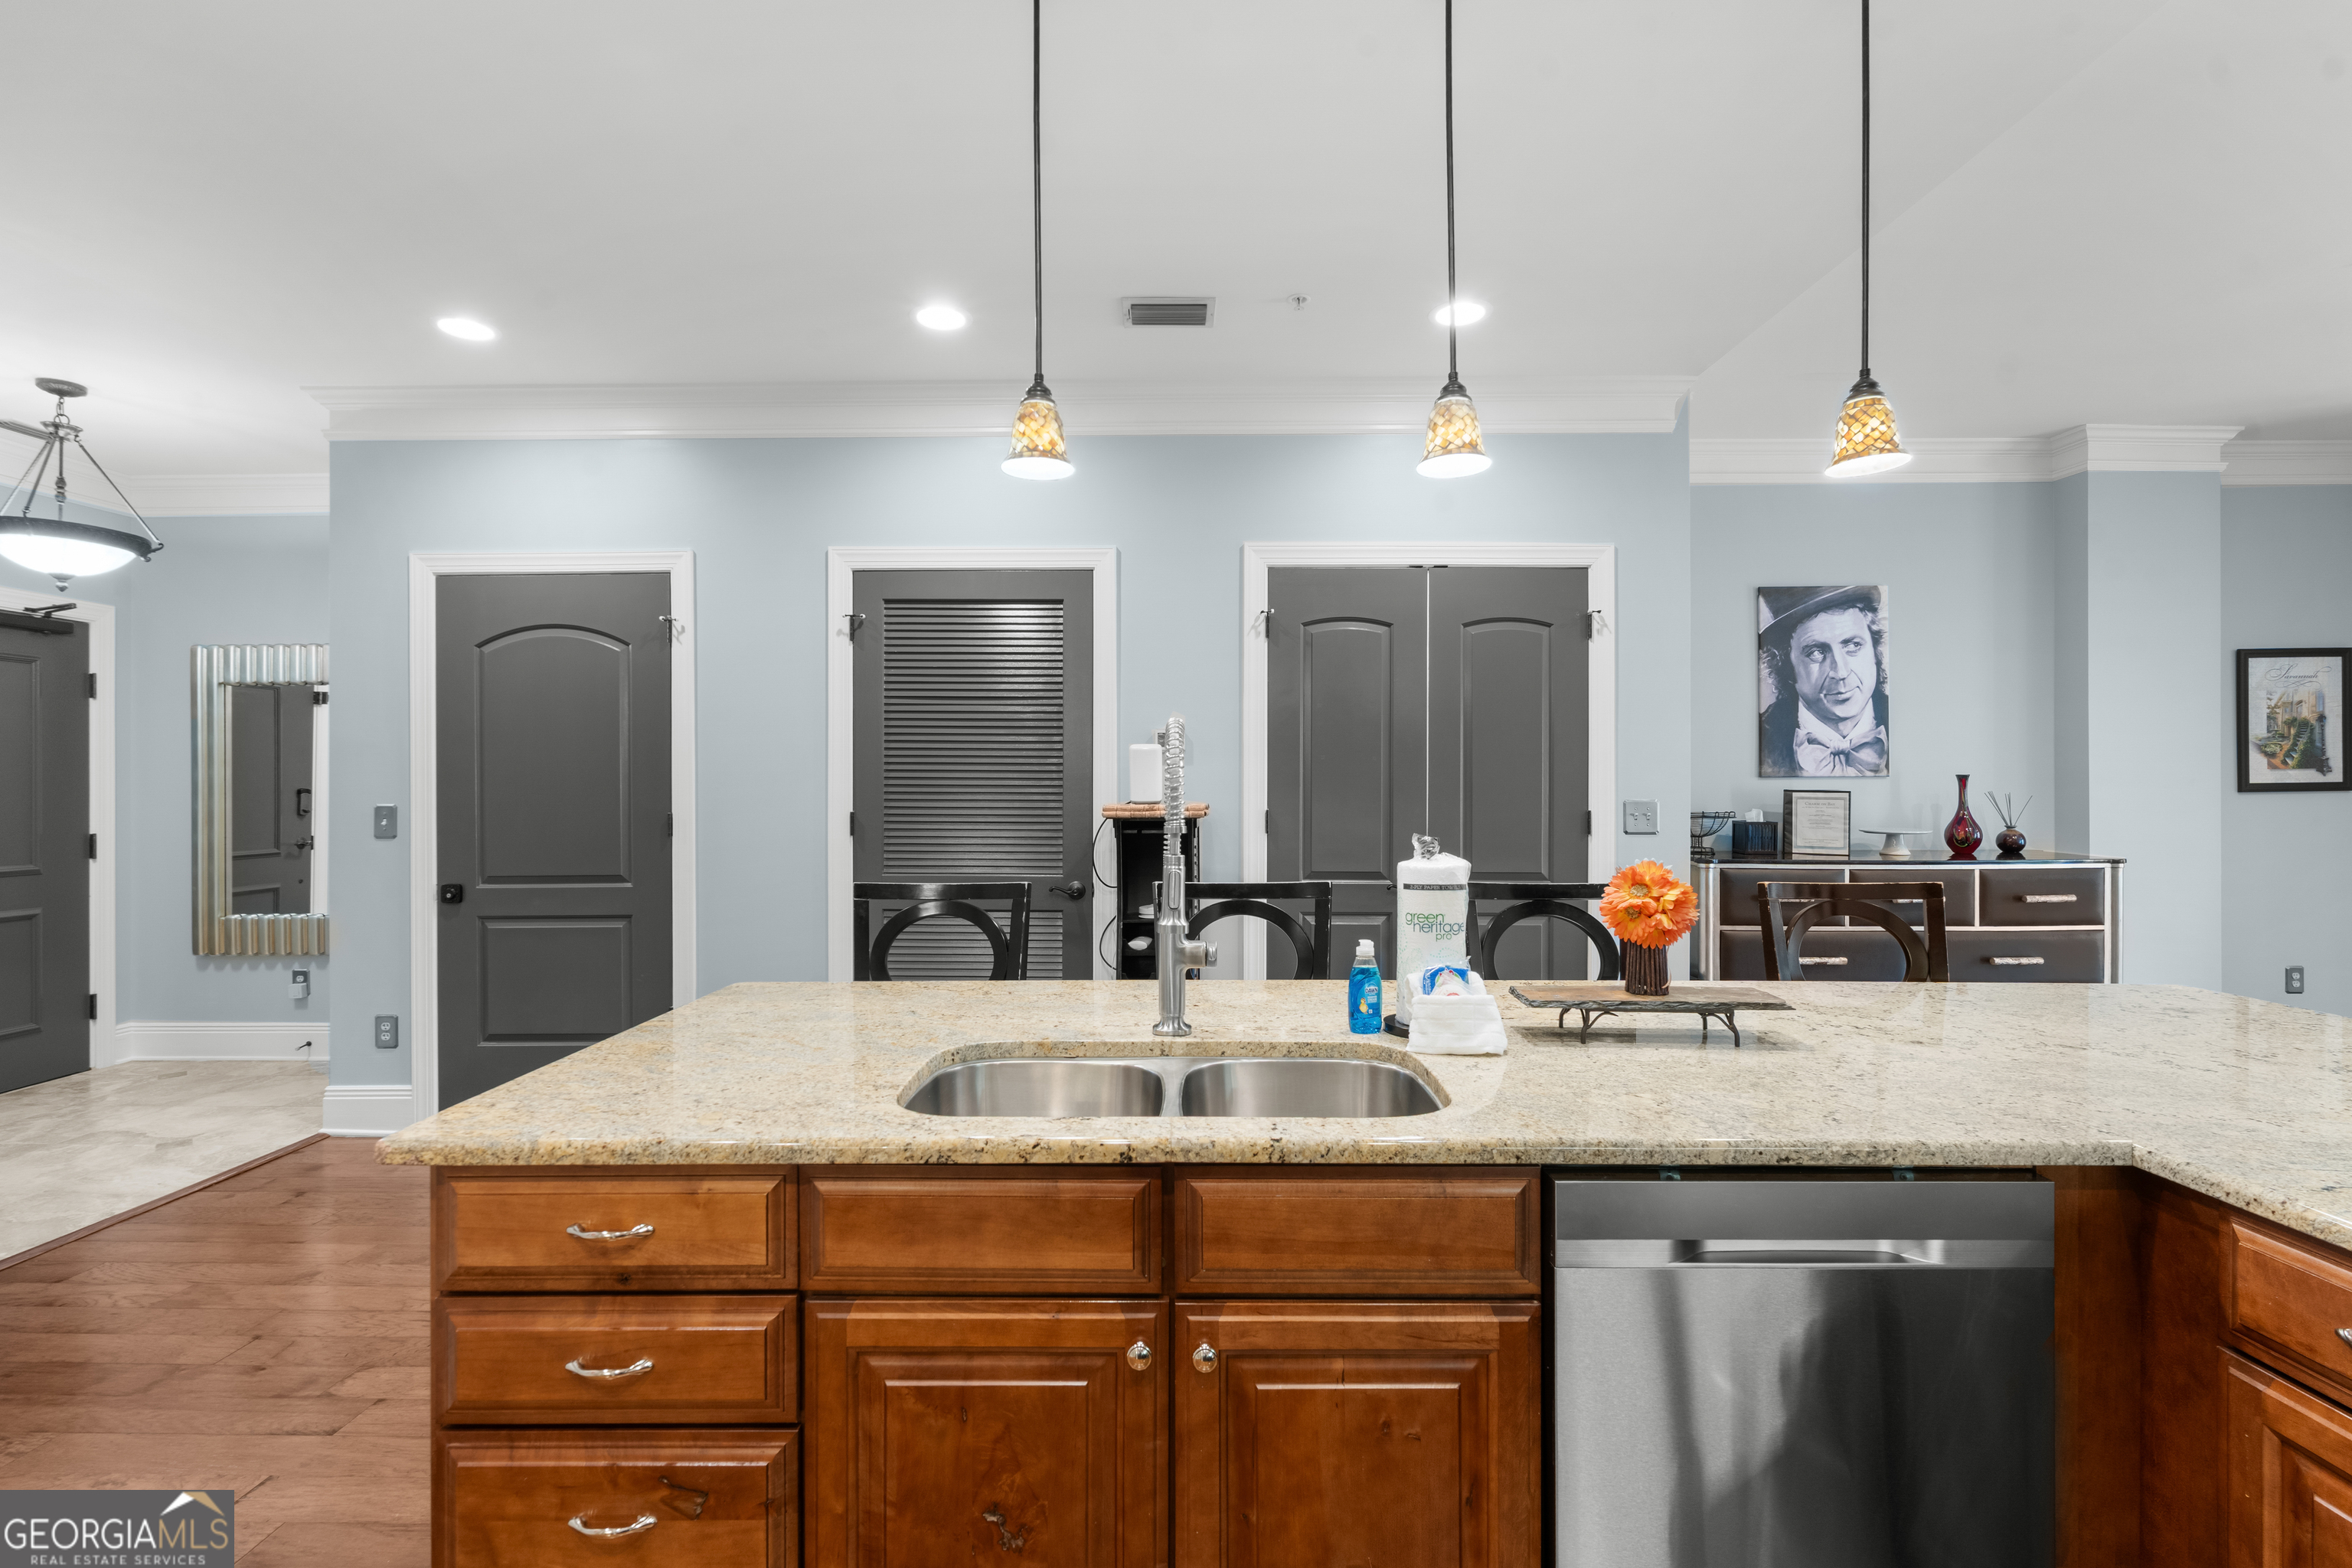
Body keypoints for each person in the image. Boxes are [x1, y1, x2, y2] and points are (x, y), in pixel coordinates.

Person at [1758, 586, 1889, 776]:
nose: (1841, 672)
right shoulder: (1762, 737)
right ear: (1786, 667)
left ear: (1875, 652)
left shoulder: (1909, 725)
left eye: (1853, 645)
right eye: (1817, 652)